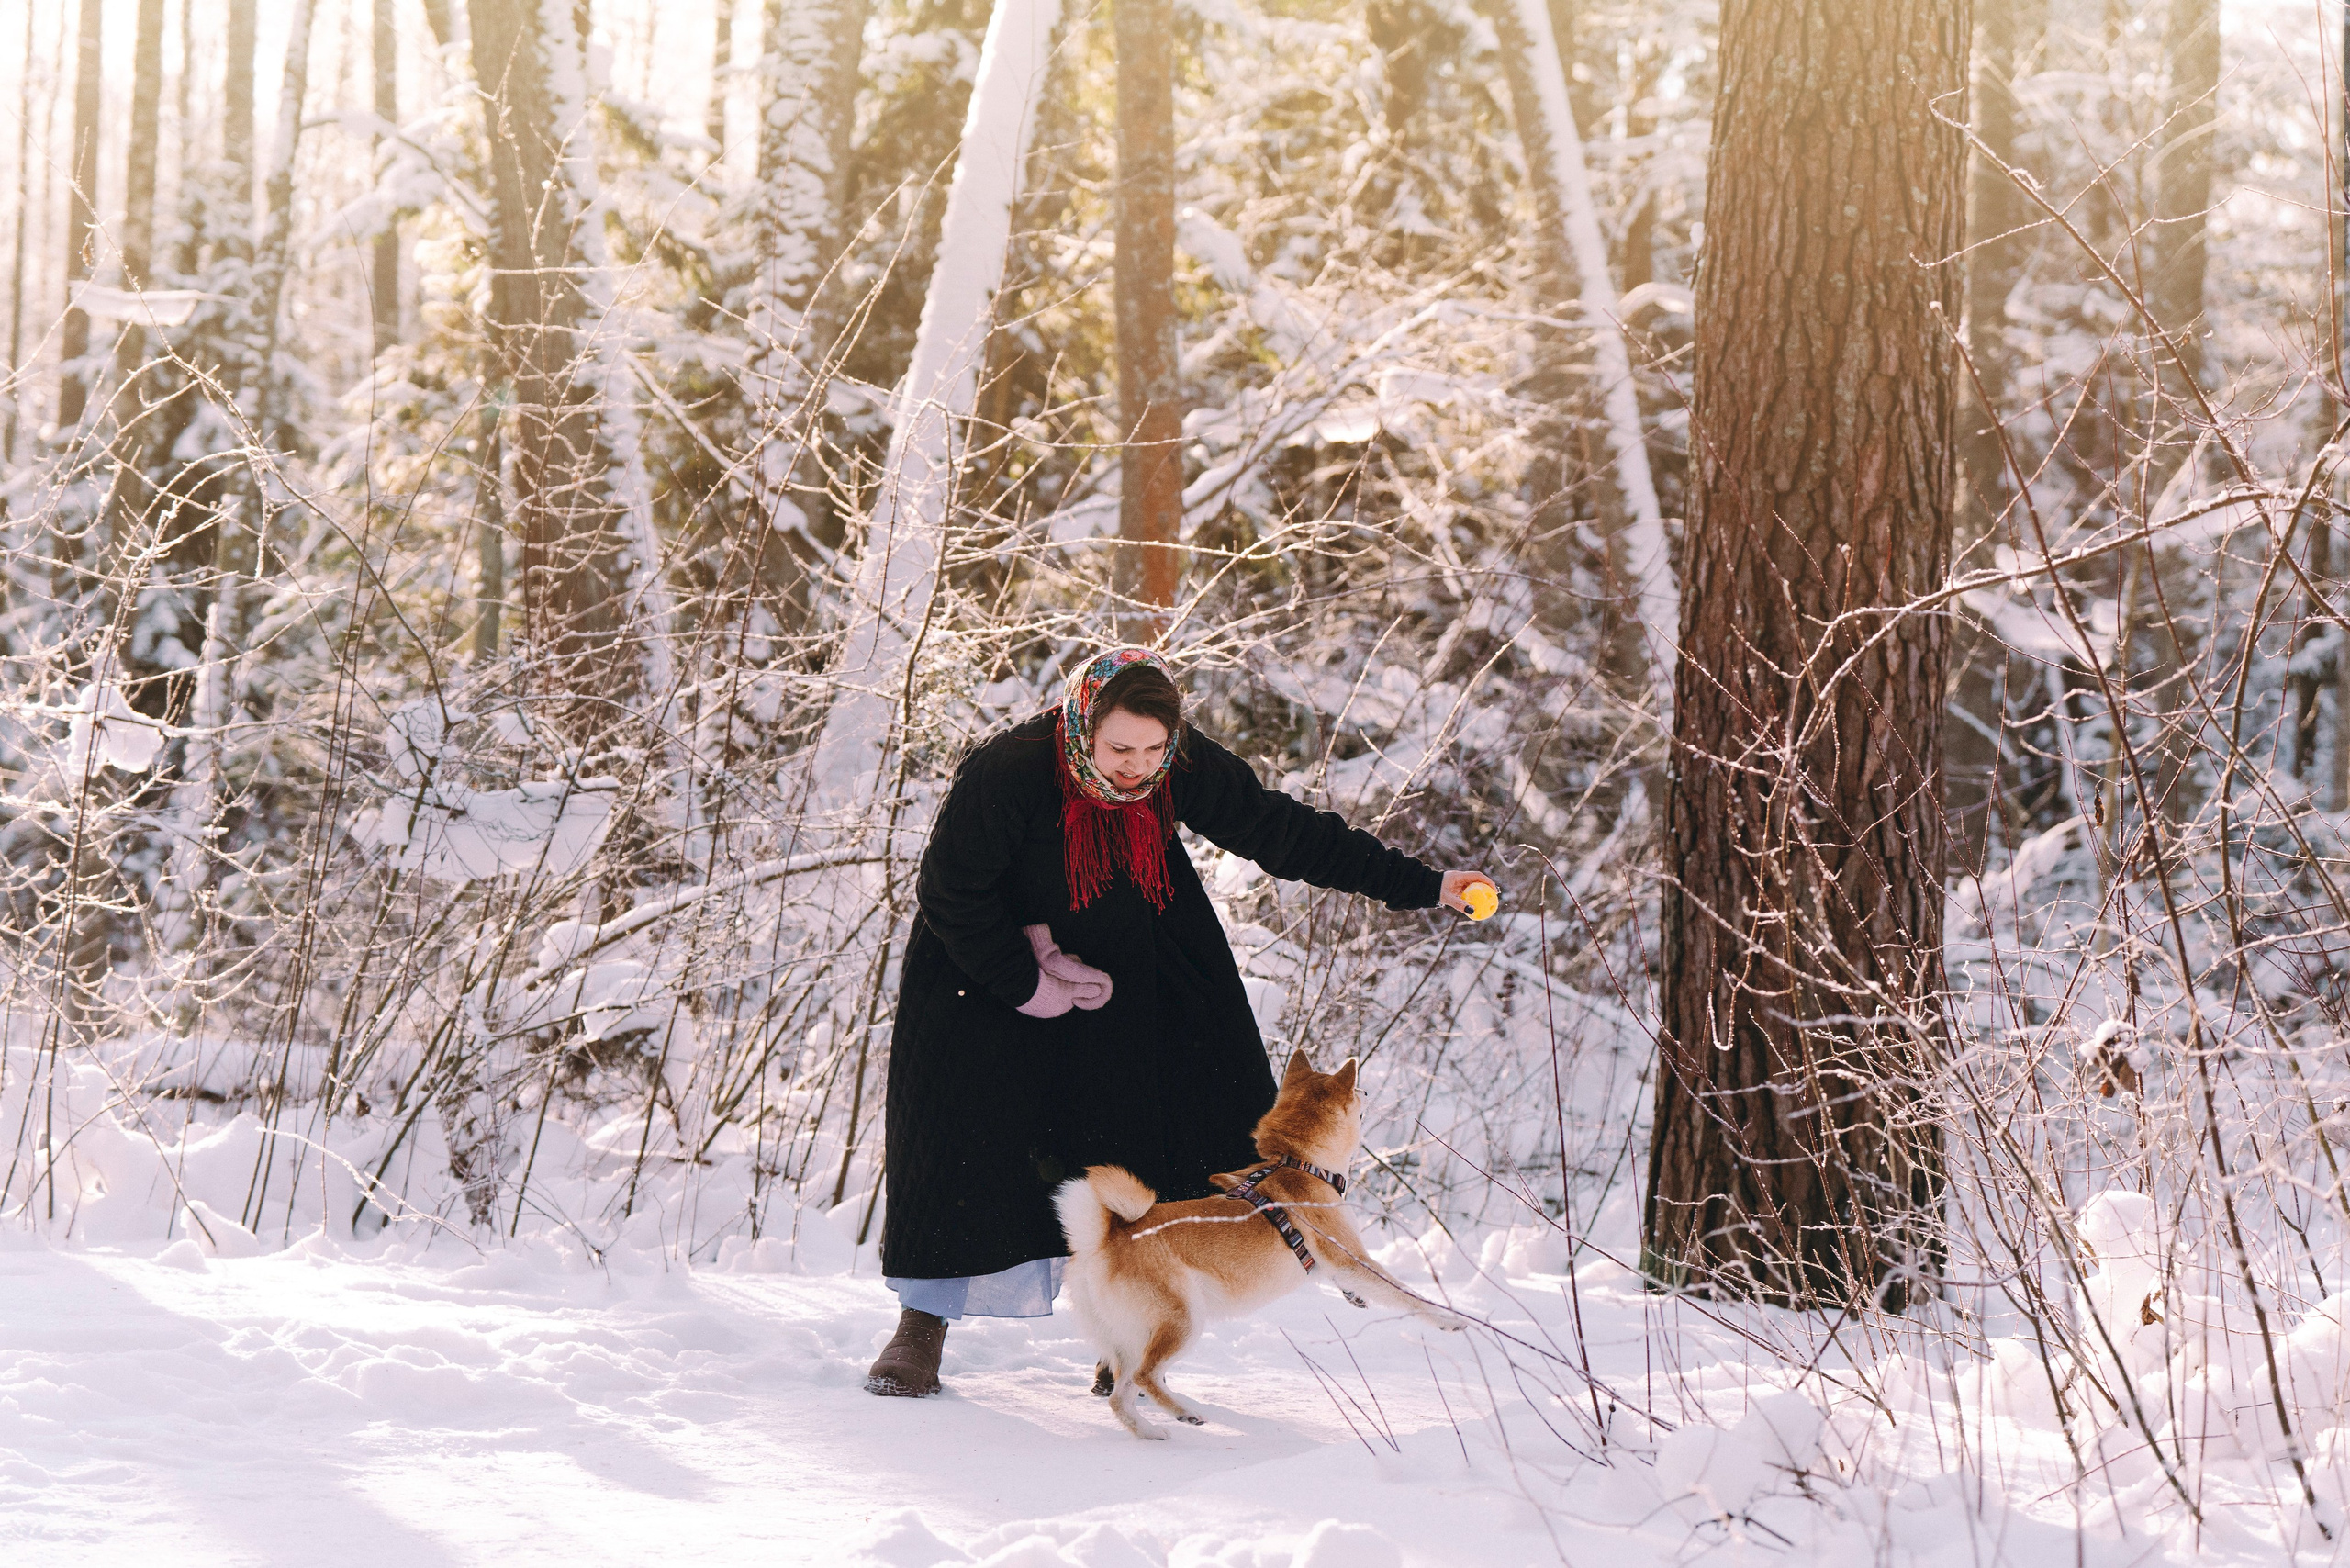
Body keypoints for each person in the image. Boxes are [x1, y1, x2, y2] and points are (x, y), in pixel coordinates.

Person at [866, 647, 1494, 1395]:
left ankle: (1130, 1332)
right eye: (1119, 749)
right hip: (995, 965)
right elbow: (950, 890)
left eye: (1155, 750)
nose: (1137, 768)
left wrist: (1426, 883)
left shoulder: (1180, 765)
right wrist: (1026, 980)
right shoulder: (1009, 769)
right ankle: (922, 1326)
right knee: (974, 1134)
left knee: (1150, 1130)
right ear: (1082, 724)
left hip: (1134, 959)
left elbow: (1280, 832)